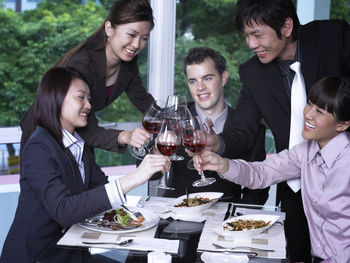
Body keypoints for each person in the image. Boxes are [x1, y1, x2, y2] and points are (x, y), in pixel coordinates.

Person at [204, 0, 350, 261]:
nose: (250, 44)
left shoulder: (335, 37)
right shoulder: (252, 72)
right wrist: (217, 144)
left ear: (286, 26)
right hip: (294, 183)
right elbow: (245, 132)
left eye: (257, 35)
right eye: (246, 36)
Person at [0, 67, 170, 263]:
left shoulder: (78, 145)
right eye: (81, 97)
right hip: (39, 256)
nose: (88, 105)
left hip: (73, 253)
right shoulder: (39, 147)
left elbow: (100, 192)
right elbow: (63, 210)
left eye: (89, 99)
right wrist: (134, 178)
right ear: (55, 98)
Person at [195, 75, 350, 263]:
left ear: (342, 124)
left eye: (320, 112)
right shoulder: (306, 151)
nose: (308, 114)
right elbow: (262, 173)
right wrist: (223, 164)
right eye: (310, 104)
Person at [20, 0, 155, 155]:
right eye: (131, 34)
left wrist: (174, 120)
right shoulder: (82, 64)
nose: (137, 44)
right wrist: (126, 136)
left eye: (144, 38)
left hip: (76, 139)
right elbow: (87, 128)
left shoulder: (128, 64)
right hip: (46, 140)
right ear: (109, 29)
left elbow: (144, 101)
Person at [151, 47, 269, 205]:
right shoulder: (173, 118)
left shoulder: (248, 125)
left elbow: (258, 189)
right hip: (177, 214)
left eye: (207, 78)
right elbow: (152, 176)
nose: (200, 87)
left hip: (226, 218)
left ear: (223, 78)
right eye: (193, 81)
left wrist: (239, 219)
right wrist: (158, 149)